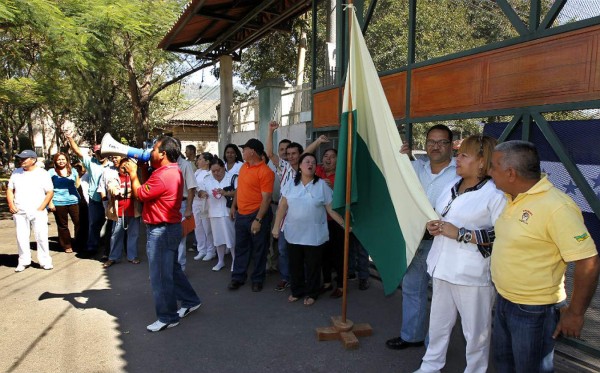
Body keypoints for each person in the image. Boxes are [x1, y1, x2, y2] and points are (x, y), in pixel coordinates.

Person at [488, 140, 599, 372]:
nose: (489, 171)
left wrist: (576, 314)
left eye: (493, 166)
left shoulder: (557, 207)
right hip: (504, 301)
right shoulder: (513, 198)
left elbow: (588, 260)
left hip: (533, 310)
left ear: (510, 173)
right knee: (504, 365)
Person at [414, 135, 506, 373]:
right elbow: (441, 216)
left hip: (471, 275)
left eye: (464, 154)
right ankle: (430, 366)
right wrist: (433, 225)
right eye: (458, 153)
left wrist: (462, 234)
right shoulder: (452, 185)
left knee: (476, 334)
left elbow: (503, 236)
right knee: (438, 326)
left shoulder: (495, 194)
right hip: (441, 267)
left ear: (482, 161)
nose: (457, 158)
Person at [387, 124, 460, 350]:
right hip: (417, 239)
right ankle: (411, 336)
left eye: (441, 142)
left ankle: (434, 348)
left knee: (440, 297)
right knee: (412, 289)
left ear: (452, 146)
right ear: (425, 145)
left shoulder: (461, 171)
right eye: (431, 142)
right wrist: (403, 155)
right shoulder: (415, 167)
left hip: (445, 241)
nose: (435, 147)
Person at [124, 136, 202, 332]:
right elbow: (150, 187)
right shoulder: (169, 170)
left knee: (160, 275)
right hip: (168, 228)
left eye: (154, 149)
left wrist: (133, 174)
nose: (150, 151)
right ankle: (190, 300)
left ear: (163, 154)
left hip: (161, 230)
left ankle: (168, 317)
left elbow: (140, 194)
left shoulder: (163, 175)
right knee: (173, 269)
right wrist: (142, 168)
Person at [273, 153, 345, 306]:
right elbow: (282, 207)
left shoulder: (322, 185)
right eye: (306, 161)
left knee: (313, 266)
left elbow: (331, 209)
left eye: (313, 162)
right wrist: (276, 227)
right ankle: (297, 291)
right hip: (294, 233)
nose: (310, 164)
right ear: (299, 166)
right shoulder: (291, 184)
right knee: (295, 265)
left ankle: (312, 293)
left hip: (314, 234)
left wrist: (344, 224)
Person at [266, 121, 329, 292]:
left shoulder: (307, 169)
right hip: (286, 217)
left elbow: (308, 152)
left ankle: (309, 281)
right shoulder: (284, 167)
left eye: (295, 153)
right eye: (288, 154)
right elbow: (270, 153)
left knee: (307, 253)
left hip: (306, 219)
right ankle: (288, 278)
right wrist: (271, 131)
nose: (291, 156)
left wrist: (317, 142)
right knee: (284, 251)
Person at [228, 138, 275, 292]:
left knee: (259, 249)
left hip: (257, 215)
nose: (242, 152)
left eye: (244, 149)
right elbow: (240, 189)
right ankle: (238, 277)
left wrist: (258, 219)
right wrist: (234, 206)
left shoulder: (265, 172)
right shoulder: (244, 168)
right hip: (241, 214)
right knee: (241, 247)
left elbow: (267, 198)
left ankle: (258, 279)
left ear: (253, 151)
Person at [7, 150, 54, 272]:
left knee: (41, 237)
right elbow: (10, 190)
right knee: (21, 237)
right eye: (20, 159)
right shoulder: (16, 173)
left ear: (33, 160)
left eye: (24, 159)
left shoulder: (42, 173)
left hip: (37, 211)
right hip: (20, 211)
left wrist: (41, 208)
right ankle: (23, 261)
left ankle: (45, 261)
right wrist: (11, 204)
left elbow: (49, 192)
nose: (21, 161)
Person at [67, 135, 112, 256]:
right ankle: (92, 246)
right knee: (93, 224)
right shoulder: (91, 163)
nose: (100, 155)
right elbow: (77, 151)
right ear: (95, 154)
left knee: (110, 225)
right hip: (95, 200)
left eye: (102, 152)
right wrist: (71, 140)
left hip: (109, 200)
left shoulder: (113, 165)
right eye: (98, 153)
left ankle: (109, 249)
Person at [102, 158, 141, 268]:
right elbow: (111, 188)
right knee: (116, 235)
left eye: (127, 166)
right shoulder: (114, 177)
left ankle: (132, 256)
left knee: (134, 234)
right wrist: (119, 191)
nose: (125, 169)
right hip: (119, 211)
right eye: (123, 167)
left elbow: (138, 191)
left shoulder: (136, 177)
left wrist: (127, 192)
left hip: (133, 211)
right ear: (118, 168)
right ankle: (113, 257)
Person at [202, 157, 236, 272]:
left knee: (231, 238)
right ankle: (220, 261)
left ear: (223, 168)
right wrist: (202, 193)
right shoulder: (207, 179)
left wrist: (226, 193)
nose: (216, 173)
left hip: (227, 212)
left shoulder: (232, 177)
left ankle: (235, 261)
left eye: (218, 170)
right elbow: (200, 191)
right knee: (218, 239)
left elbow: (238, 192)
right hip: (214, 212)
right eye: (213, 171)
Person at [47, 152, 80, 253]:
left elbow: (78, 184)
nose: (61, 161)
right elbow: (48, 188)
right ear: (55, 161)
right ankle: (67, 245)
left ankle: (79, 242)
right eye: (59, 160)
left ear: (67, 160)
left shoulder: (73, 171)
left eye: (63, 159)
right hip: (58, 201)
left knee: (79, 222)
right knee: (63, 225)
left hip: (74, 200)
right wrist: (50, 203)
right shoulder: (51, 172)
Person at [174, 138, 197, 271]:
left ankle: (180, 269)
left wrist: (188, 208)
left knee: (181, 238)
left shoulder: (186, 165)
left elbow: (191, 188)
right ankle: (170, 268)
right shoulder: (165, 164)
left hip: (182, 205)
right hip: (168, 206)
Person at [192, 152, 216, 262]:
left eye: (201, 159)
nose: (198, 161)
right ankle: (201, 249)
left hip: (206, 202)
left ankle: (211, 250)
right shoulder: (197, 172)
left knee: (207, 227)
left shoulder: (211, 173)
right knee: (198, 226)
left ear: (207, 162)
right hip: (196, 201)